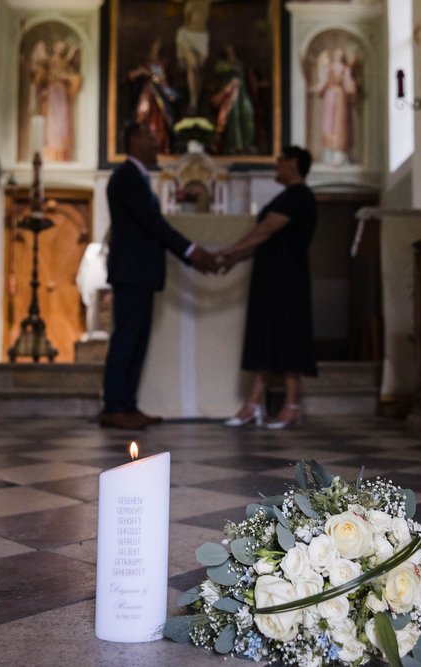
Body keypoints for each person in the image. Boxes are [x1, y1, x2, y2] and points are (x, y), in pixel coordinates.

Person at [100, 122, 218, 429]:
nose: (157, 144)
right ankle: (114, 406)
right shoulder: (125, 176)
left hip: (140, 273)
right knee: (127, 339)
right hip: (131, 272)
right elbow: (153, 224)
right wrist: (191, 252)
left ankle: (127, 404)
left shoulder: (137, 177)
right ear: (135, 138)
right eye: (152, 138)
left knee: (136, 340)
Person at [217, 146, 318, 429]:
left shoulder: (300, 195)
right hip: (270, 278)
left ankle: (292, 404)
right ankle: (253, 404)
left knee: (288, 336)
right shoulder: (285, 196)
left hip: (289, 279)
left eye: (280, 162)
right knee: (263, 336)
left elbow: (268, 229)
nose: (276, 166)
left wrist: (230, 249)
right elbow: (264, 241)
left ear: (295, 163)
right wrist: (235, 258)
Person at [30, 40, 83, 161]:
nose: (60, 49)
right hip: (52, 94)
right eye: (58, 47)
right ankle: (50, 153)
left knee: (62, 124)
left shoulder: (65, 63)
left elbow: (71, 77)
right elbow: (39, 76)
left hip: (61, 95)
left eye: (62, 48)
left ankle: (61, 154)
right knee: (51, 123)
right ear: (54, 48)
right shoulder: (49, 61)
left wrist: (65, 77)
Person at [128, 37, 178, 154]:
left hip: (160, 94)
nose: (156, 49)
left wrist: (161, 82)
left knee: (160, 121)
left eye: (159, 47)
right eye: (155, 46)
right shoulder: (145, 62)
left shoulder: (163, 63)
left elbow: (165, 81)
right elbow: (132, 75)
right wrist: (143, 73)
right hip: (148, 93)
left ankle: (161, 145)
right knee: (144, 115)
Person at [315, 48, 358, 166]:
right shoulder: (330, 68)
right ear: (334, 56)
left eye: (340, 55)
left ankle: (338, 155)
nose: (338, 57)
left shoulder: (345, 69)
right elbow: (323, 81)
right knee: (328, 124)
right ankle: (329, 153)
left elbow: (349, 86)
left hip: (340, 99)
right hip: (331, 97)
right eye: (337, 55)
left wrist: (352, 86)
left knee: (340, 124)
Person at [210, 44, 256, 154]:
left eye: (231, 49)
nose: (230, 51)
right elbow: (220, 69)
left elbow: (243, 73)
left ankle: (247, 143)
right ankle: (235, 145)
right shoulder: (222, 64)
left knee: (247, 113)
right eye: (227, 49)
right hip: (229, 95)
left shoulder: (239, 63)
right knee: (232, 118)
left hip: (241, 95)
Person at [176, 0, 211, 115]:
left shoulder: (203, 33)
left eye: (199, 15)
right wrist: (181, 57)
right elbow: (181, 48)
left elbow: (204, 53)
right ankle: (193, 101)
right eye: (195, 14)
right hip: (188, 45)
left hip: (199, 46)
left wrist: (201, 58)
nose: (197, 17)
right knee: (192, 67)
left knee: (198, 71)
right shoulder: (183, 32)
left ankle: (195, 99)